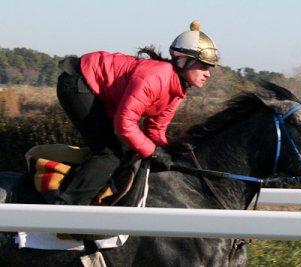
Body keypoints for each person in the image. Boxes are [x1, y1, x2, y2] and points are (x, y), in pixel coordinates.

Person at [55, 20, 219, 206]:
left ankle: (97, 196)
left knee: (126, 150)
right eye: (203, 67)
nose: (208, 74)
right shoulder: (156, 77)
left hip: (93, 88)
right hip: (78, 81)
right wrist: (154, 153)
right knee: (110, 152)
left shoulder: (177, 89)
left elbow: (155, 130)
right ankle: (67, 210)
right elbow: (124, 124)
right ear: (184, 61)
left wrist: (169, 155)